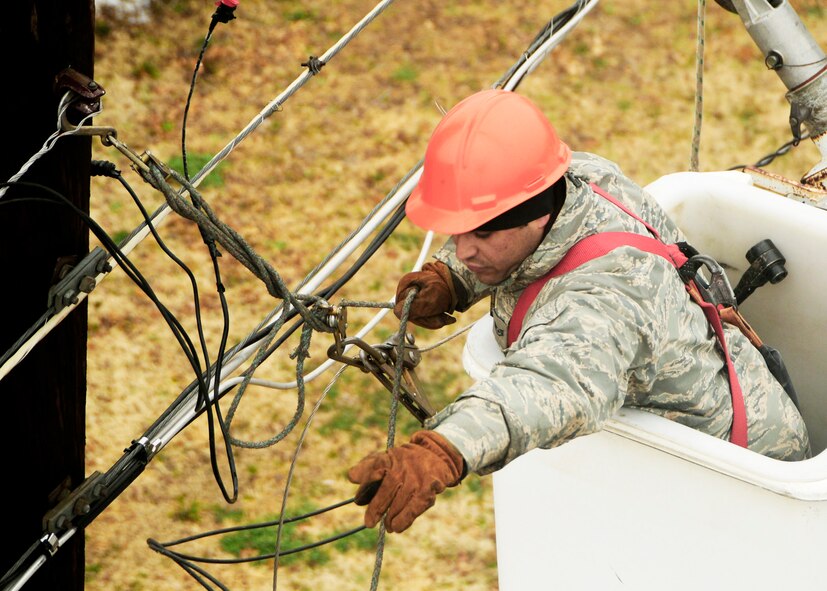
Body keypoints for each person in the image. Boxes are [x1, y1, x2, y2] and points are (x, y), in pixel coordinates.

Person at [347, 89, 810, 534]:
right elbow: (512, 244)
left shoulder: (606, 297)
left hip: (746, 476)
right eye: (456, 233)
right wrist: (452, 278)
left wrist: (445, 449)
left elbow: (548, 381)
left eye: (480, 236)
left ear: (533, 215)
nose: (462, 248)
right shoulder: (576, 180)